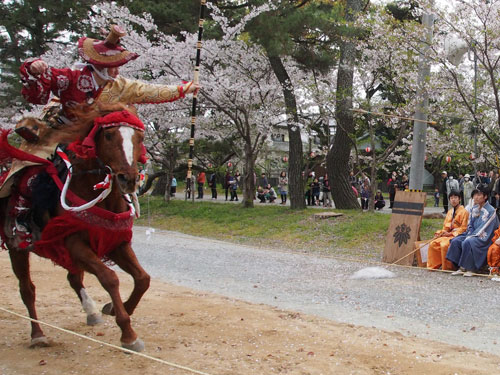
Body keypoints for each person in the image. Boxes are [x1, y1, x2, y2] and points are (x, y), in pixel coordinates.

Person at [447, 184, 499, 276]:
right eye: (475, 194)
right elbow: (470, 224)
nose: (476, 197)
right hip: (473, 234)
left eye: (479, 195)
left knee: (469, 241)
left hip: (485, 237)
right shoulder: (474, 208)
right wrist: (469, 233)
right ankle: (461, 266)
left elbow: (484, 228)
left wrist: (471, 236)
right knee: (456, 241)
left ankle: (471, 268)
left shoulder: (491, 211)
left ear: (485, 196)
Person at [426, 191, 469, 270]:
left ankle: (448, 267)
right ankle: (433, 266)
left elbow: (464, 228)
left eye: (455, 198)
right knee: (433, 243)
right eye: (451, 198)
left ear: (459, 199)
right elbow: (445, 226)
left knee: (444, 245)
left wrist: (450, 234)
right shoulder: (450, 212)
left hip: (457, 236)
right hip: (448, 234)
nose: (453, 200)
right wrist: (442, 233)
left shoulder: (464, 212)